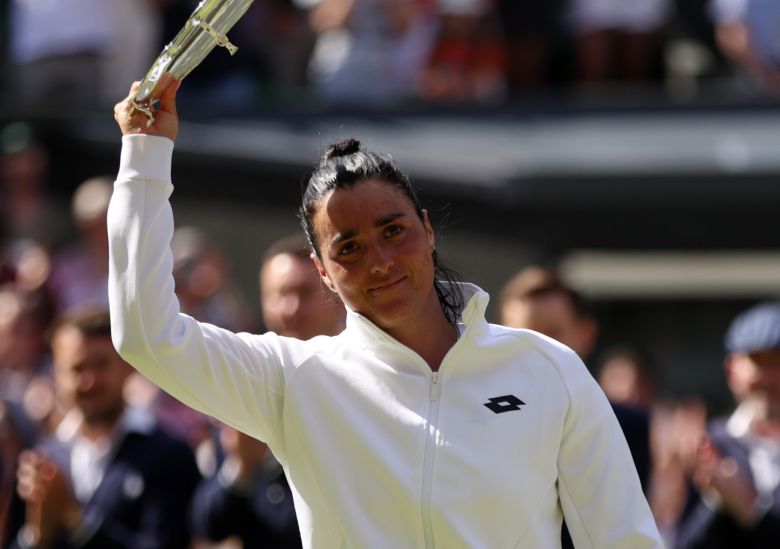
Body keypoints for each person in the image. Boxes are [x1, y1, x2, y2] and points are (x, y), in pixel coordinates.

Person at [109, 78, 662, 548]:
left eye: (393, 231)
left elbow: (624, 539)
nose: (379, 261)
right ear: (323, 272)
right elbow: (145, 334)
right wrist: (145, 156)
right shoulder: (294, 378)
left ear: (428, 230)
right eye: (348, 248)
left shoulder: (549, 368)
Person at [190, 233, 345, 548]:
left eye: (304, 292)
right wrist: (242, 468)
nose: (290, 309)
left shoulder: (367, 380)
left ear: (337, 293)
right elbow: (210, 524)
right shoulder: (245, 385)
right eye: (279, 294)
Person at [12, 309, 201, 548]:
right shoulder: (42, 457)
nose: (89, 381)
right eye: (77, 368)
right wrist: (37, 536)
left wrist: (75, 521)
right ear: (57, 375)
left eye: (101, 365)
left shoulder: (170, 454)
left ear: (127, 366)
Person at [674, 301, 780, 548]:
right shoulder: (709, 445)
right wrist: (714, 501)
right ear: (732, 370)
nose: (769, 376)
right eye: (758, 361)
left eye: (778, 362)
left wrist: (751, 509)